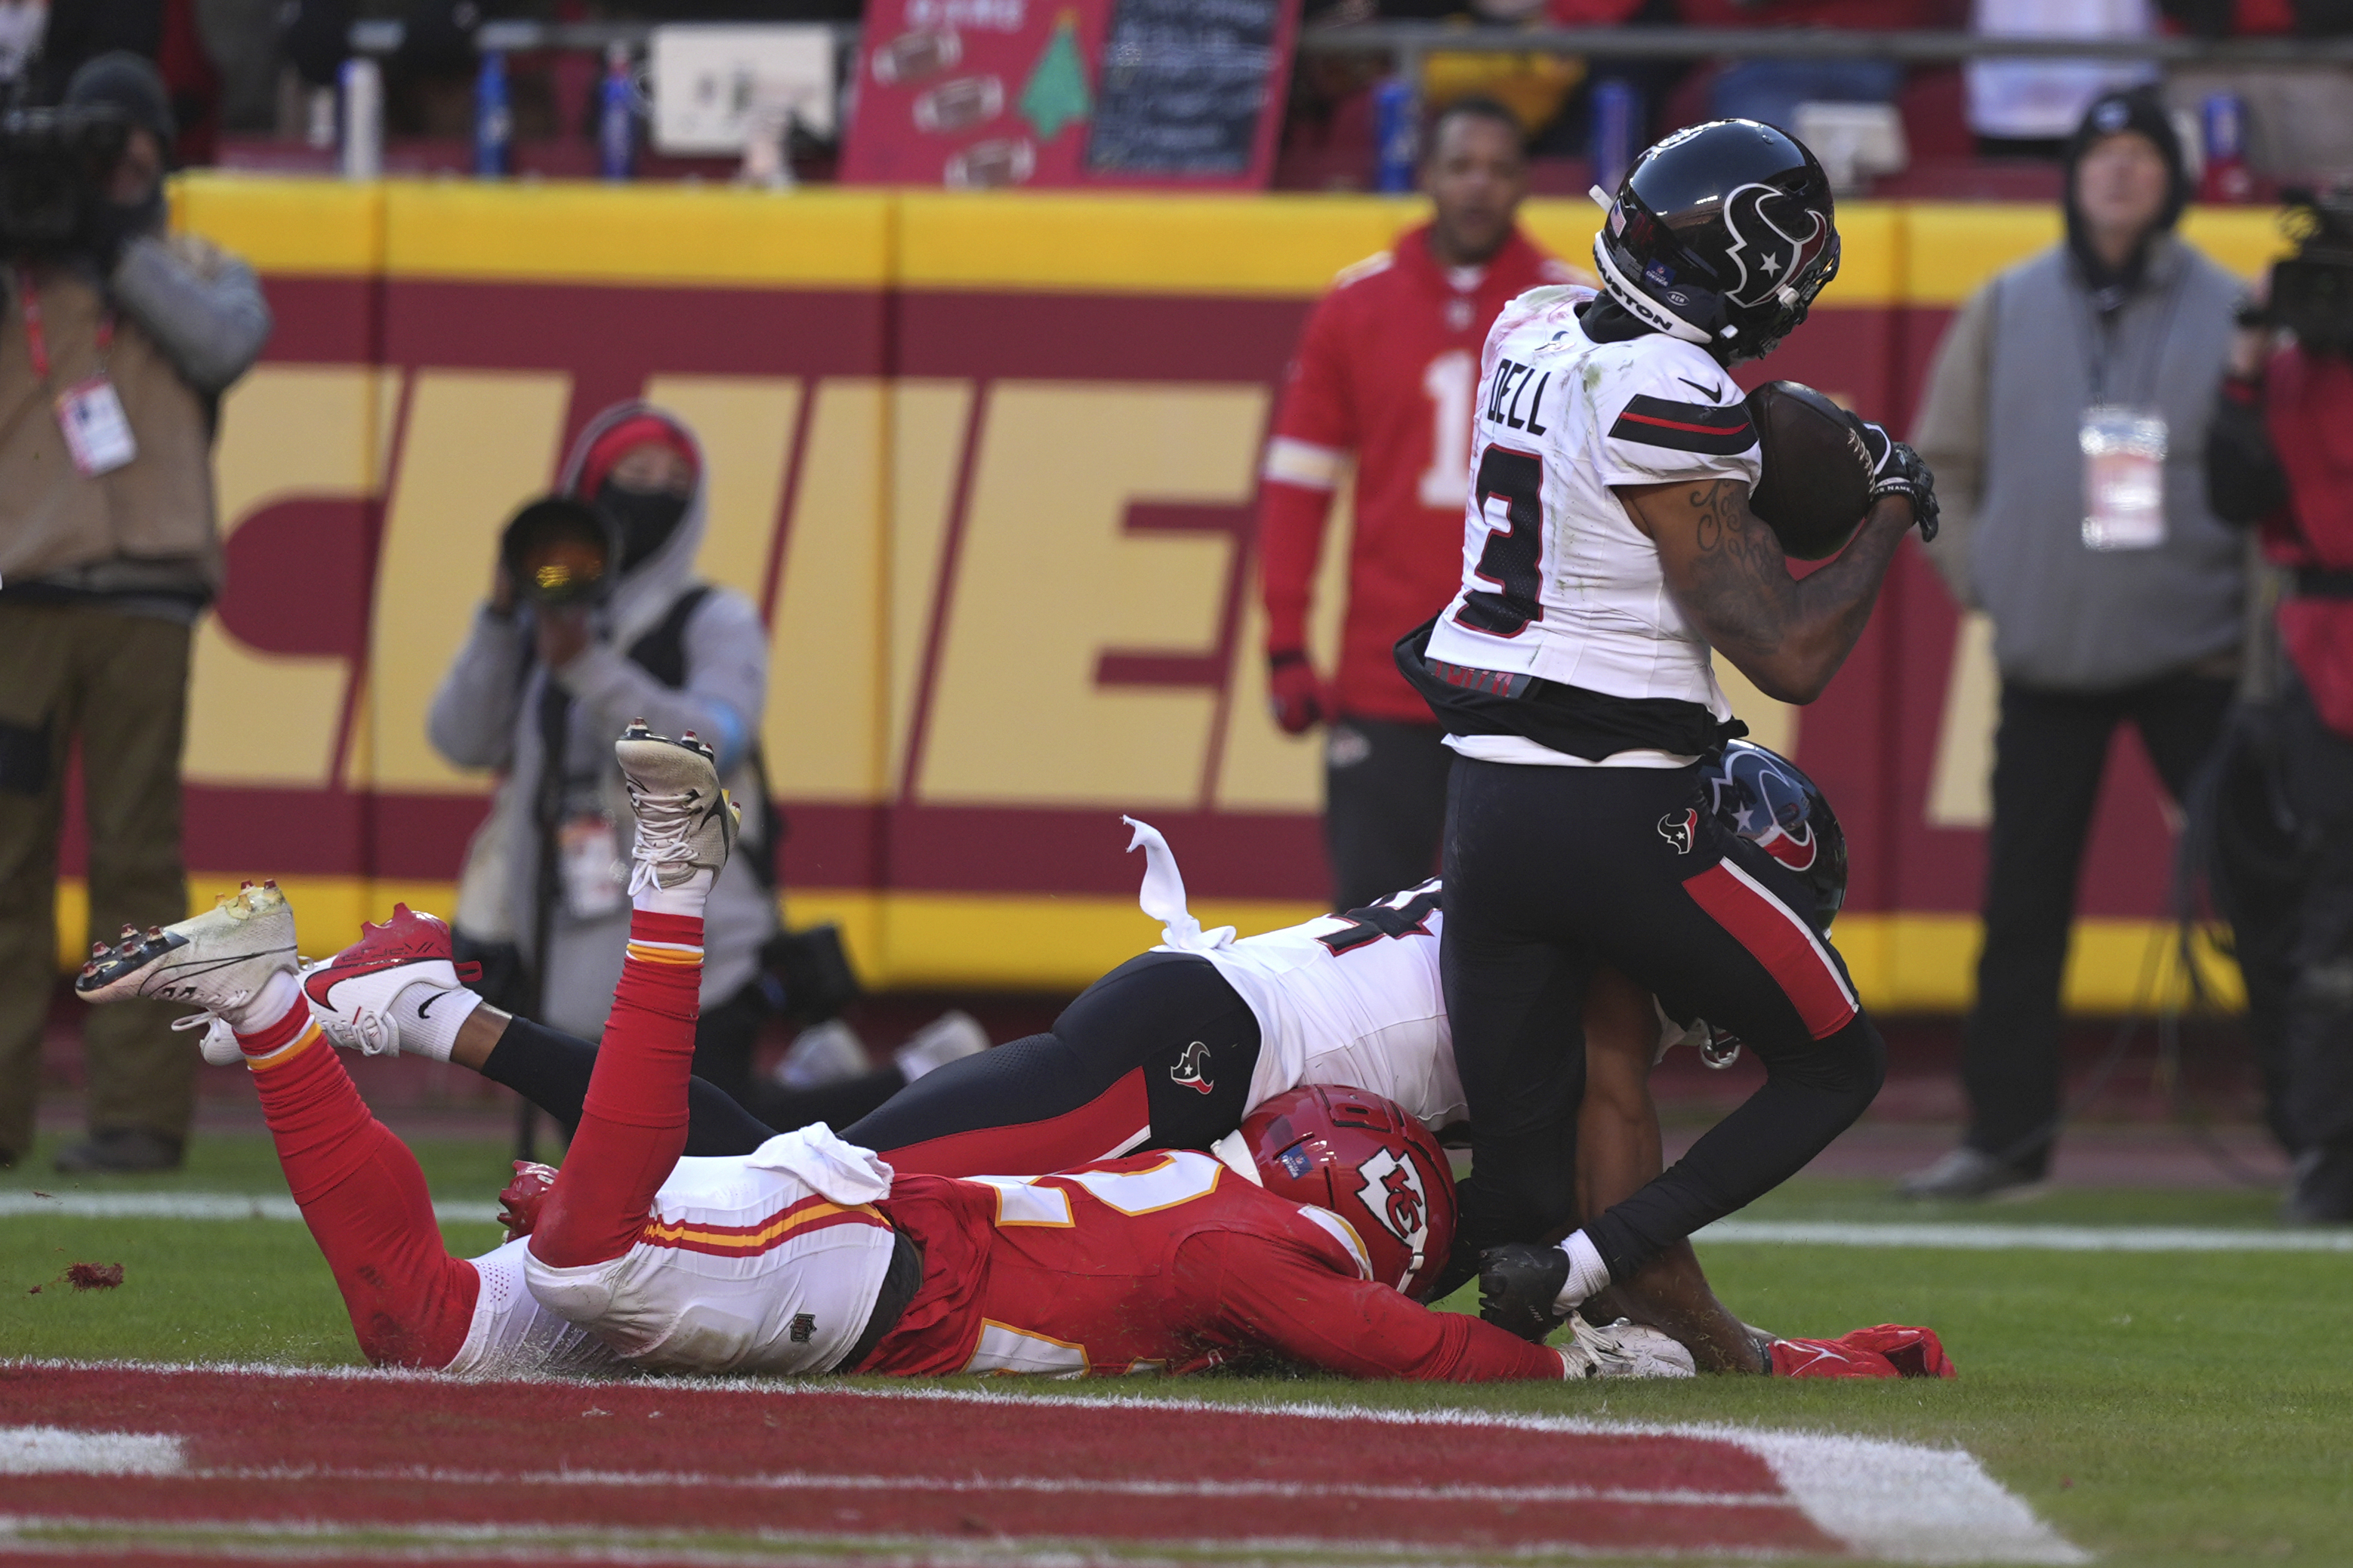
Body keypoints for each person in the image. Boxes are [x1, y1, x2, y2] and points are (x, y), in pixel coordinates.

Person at [76, 725, 1676, 1383]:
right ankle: (661, 891)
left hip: (1099, 1099)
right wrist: (1568, 1351)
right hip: (918, 1240)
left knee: (428, 1327)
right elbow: (1381, 1300)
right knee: (617, 1227)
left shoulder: (1248, 1185)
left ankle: (301, 1014)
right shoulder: (1247, 1232)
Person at [1395, 118, 1936, 1335]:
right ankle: (1594, 1271)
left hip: (1482, 802)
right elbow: (1788, 653)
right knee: (1835, 1061)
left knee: (1522, 1185)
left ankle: (1253, 1294)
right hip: (1619, 808)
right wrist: (1892, 504)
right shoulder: (1673, 392)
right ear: (1740, 265)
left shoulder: (1525, 324)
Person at [1901, 88, 2250, 1200]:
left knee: (2267, 897)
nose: (2120, 172)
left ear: (2172, 181)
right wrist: (1988, 581)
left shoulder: (2233, 308)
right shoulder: (2007, 305)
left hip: (2198, 655)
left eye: (2143, 155)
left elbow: (2266, 484)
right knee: (2022, 906)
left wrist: (2251, 629)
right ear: (2073, 171)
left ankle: (2322, 1140)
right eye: (2102, 152)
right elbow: (1937, 463)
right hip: (2050, 653)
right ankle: (2003, 1142)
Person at [0, 51, 271, 1173]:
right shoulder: (16, 269)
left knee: (136, 866)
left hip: (147, 605)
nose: (116, 162)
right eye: (94, 144)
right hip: (19, 601)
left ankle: (138, 1119)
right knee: (4, 864)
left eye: (133, 142)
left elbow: (225, 341)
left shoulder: (194, 265)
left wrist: (112, 244)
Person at [1257, 95, 1590, 912]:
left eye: (1499, 168)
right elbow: (1298, 486)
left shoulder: (1571, 312)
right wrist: (1285, 640)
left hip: (1525, 678)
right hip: (1387, 673)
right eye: (1460, 166)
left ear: (1523, 183)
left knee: (1527, 929)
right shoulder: (1356, 304)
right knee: (1370, 930)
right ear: (1425, 175)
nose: (1478, 187)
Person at [428, 404, 779, 1107]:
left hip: (695, 945)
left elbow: (708, 746)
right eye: (635, 472)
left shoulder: (715, 618)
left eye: (676, 479)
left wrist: (587, 667)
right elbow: (461, 738)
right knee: (613, 1167)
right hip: (568, 942)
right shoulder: (550, 616)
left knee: (714, 1152)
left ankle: (908, 1082)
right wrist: (503, 619)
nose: (654, 492)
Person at [2203, 191, 2353, 1222]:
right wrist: (2248, 356)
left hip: (2316, 653)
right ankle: (2329, 1144)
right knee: (2329, 911)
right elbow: (2235, 489)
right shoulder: (2286, 375)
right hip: (2318, 657)